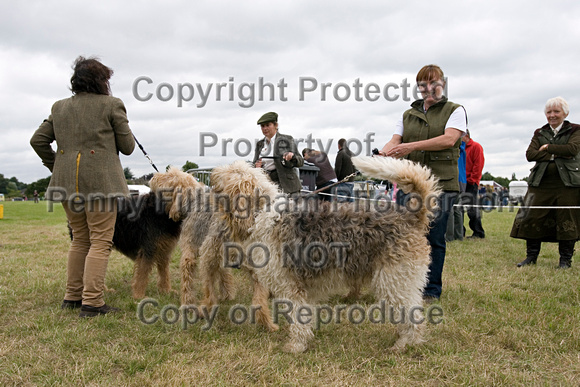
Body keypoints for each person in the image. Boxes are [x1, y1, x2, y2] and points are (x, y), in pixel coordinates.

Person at [30, 56, 135, 317]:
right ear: (102, 81)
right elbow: (128, 147)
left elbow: (37, 141)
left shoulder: (59, 107)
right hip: (100, 184)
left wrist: (56, 165)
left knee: (80, 239)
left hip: (66, 185)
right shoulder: (112, 105)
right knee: (100, 241)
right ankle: (92, 302)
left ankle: (72, 296)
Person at [379, 64, 467, 301]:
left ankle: (431, 289)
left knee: (434, 237)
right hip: (409, 185)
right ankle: (405, 285)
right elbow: (395, 139)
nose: (428, 88)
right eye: (422, 85)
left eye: (433, 83)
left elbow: (449, 139)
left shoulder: (455, 110)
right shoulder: (407, 115)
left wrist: (411, 147)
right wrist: (382, 154)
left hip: (441, 185)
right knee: (402, 236)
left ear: (443, 84)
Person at [511, 96, 580, 269]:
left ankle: (565, 260)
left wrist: (548, 148)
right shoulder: (539, 132)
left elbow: (572, 150)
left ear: (565, 113)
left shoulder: (575, 130)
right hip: (540, 182)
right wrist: (558, 153)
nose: (552, 115)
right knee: (531, 216)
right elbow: (530, 154)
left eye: (556, 111)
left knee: (567, 219)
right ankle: (531, 257)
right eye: (549, 112)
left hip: (567, 184)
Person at [253, 112, 304, 194]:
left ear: (275, 125)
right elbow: (254, 163)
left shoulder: (287, 139)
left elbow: (300, 161)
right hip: (267, 185)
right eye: (262, 126)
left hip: (288, 185)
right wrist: (256, 166)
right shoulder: (259, 144)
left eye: (267, 125)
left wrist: (292, 157)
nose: (265, 128)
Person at [463, 129, 486, 238]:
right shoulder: (461, 148)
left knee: (472, 209)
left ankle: (478, 232)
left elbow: (478, 165)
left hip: (471, 183)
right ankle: (460, 231)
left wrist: (472, 180)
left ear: (466, 136)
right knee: (459, 209)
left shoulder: (476, 147)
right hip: (462, 182)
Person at [446, 140, 466, 241]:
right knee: (457, 209)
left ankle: (449, 237)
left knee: (449, 209)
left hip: (452, 179)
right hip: (462, 180)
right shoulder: (463, 150)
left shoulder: (451, 149)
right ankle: (459, 235)